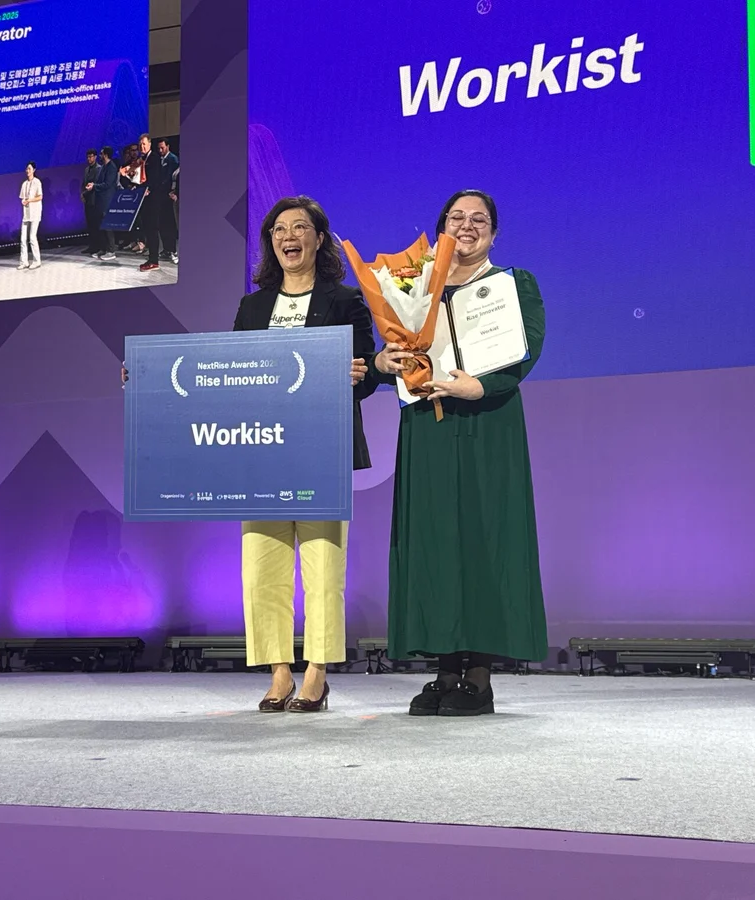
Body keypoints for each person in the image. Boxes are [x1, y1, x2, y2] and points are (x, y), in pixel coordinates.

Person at [371, 189, 547, 717]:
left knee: (485, 538)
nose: (467, 226)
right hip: (427, 424)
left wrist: (482, 386)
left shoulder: (513, 284)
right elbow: (394, 350)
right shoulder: (413, 287)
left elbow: (527, 347)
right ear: (442, 227)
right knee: (434, 541)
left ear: (494, 231)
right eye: (456, 218)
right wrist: (387, 361)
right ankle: (445, 670)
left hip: (487, 422)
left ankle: (480, 676)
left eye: (479, 219)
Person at [233, 196, 376, 712]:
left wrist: (362, 374)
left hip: (321, 447)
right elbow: (228, 377)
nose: (288, 235)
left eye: (300, 227)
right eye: (277, 229)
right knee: (261, 566)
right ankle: (278, 671)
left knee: (322, 565)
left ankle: (316, 671)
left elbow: (370, 372)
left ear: (319, 238)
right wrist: (149, 380)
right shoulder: (252, 307)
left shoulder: (344, 301)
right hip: (261, 450)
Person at [137, 134, 166, 273]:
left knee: (153, 230)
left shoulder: (153, 158)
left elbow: (155, 178)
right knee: (148, 229)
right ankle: (151, 258)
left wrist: (148, 189)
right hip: (145, 200)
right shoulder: (142, 159)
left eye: (144, 144)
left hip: (153, 199)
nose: (142, 146)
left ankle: (154, 261)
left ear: (149, 144)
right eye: (140, 144)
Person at [90, 146, 120, 261]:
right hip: (101, 200)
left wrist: (95, 186)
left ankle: (111, 250)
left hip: (107, 200)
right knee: (101, 225)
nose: (100, 156)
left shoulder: (111, 167)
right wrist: (93, 185)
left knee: (107, 226)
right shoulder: (103, 167)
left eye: (102, 154)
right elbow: (100, 182)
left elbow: (107, 184)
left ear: (106, 155)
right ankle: (104, 248)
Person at [157, 139, 179, 264]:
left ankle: (172, 250)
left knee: (170, 224)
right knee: (162, 224)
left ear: (168, 146)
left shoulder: (173, 159)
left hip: (169, 196)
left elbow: (170, 178)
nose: (161, 150)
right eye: (159, 148)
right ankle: (166, 249)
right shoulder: (160, 160)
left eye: (163, 148)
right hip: (161, 197)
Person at [18, 161, 43, 270]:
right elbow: (23, 198)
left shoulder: (37, 182)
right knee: (23, 238)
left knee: (32, 237)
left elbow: (40, 197)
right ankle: (24, 261)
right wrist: (24, 201)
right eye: (27, 169)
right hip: (26, 214)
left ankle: (37, 260)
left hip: (35, 213)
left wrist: (30, 200)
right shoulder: (24, 184)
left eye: (29, 169)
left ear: (34, 170)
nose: (27, 171)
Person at [81, 149, 102, 254]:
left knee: (96, 224)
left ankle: (98, 246)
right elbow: (83, 183)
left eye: (91, 156)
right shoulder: (86, 169)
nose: (89, 159)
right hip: (87, 200)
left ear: (95, 157)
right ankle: (92, 245)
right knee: (89, 224)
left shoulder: (99, 169)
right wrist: (82, 194)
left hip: (95, 199)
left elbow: (97, 183)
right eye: (88, 157)